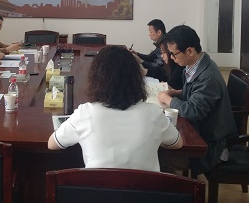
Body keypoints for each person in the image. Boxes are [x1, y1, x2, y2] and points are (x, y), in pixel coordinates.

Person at [48, 45, 182, 171]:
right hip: (144, 188)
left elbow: (52, 144)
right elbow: (177, 143)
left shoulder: (85, 113)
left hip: (97, 188)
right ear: (136, 79)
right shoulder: (153, 113)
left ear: (96, 79)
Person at [157, 25, 237, 175]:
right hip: (198, 132)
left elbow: (193, 111)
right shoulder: (196, 65)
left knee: (158, 155)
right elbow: (195, 94)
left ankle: (178, 188)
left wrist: (167, 98)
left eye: (174, 54)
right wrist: (176, 93)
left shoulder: (208, 78)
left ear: (190, 51)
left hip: (209, 146)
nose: (172, 58)